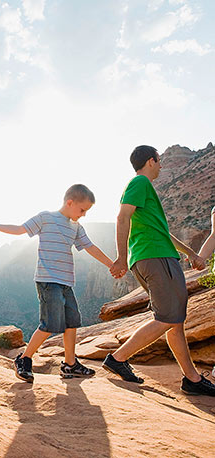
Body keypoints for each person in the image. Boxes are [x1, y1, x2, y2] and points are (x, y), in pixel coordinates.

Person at [105, 145, 215, 396]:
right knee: (168, 318)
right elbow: (122, 218)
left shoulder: (145, 189)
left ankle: (192, 380)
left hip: (158, 254)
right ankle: (118, 358)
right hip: (154, 257)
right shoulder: (140, 183)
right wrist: (121, 258)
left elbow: (164, 233)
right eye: (160, 161)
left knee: (175, 321)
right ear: (151, 161)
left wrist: (191, 254)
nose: (162, 166)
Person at [0, 184, 113, 383]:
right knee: (50, 324)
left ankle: (70, 364)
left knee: (72, 323)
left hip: (66, 282)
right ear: (70, 202)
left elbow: (90, 247)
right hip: (48, 280)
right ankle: (24, 359)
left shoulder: (77, 227)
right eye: (82, 210)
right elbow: (20, 229)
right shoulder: (46, 218)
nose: (84, 215)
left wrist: (111, 264)